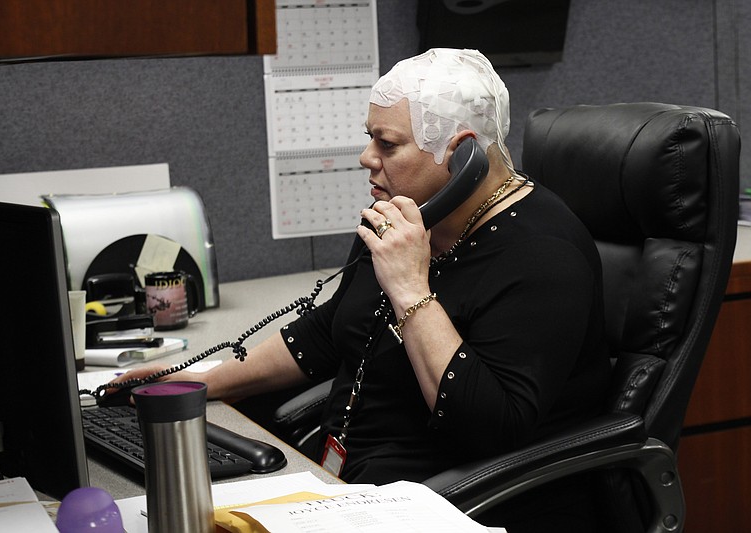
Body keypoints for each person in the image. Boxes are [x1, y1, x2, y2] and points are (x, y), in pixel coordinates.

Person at [113, 48, 611, 531]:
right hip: (345, 491)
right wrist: (197, 383)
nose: (365, 158)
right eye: (369, 138)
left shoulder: (544, 253)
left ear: (461, 155)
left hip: (459, 506)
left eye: (387, 144)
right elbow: (330, 331)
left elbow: (490, 426)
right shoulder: (408, 215)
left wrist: (411, 288)